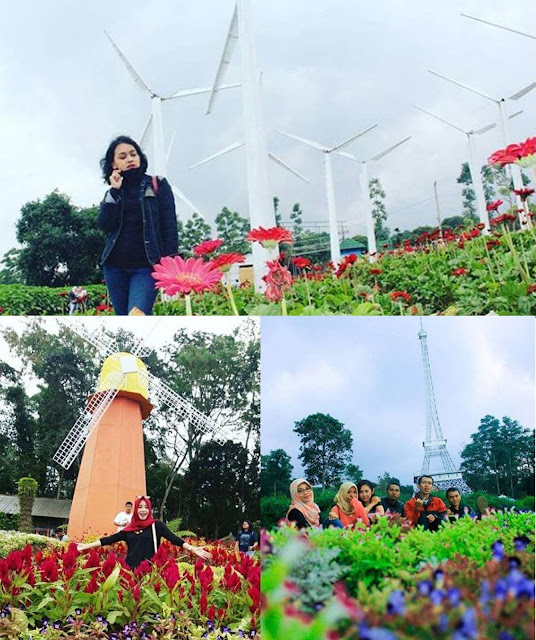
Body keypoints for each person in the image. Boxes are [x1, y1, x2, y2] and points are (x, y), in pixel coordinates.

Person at [98, 135, 178, 316]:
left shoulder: (158, 185)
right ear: (114, 164)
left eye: (133, 154)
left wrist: (171, 264)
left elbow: (170, 226)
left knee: (137, 315)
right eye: (123, 156)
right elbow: (105, 225)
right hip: (114, 267)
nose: (130, 159)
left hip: (146, 267)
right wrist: (114, 191)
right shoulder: (113, 192)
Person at [76, 496, 211, 570]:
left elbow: (174, 539)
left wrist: (193, 549)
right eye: (140, 507)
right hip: (130, 569)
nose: (143, 510)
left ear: (150, 509)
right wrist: (84, 547)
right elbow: (108, 540)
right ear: (135, 509)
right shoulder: (129, 529)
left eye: (146, 507)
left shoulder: (156, 525)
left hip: (149, 570)